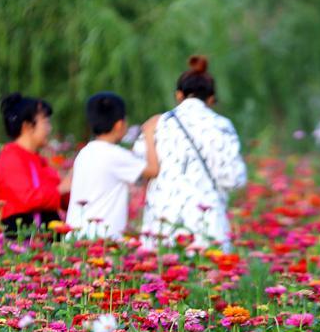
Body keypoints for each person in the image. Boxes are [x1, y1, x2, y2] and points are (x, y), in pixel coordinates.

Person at [138, 55, 247, 250]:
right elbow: (234, 179)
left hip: (163, 221)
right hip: (206, 223)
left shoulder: (158, 124)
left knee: (161, 276)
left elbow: (140, 167)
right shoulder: (222, 125)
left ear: (178, 95)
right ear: (211, 98)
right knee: (206, 277)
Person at [65, 92, 161, 241]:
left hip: (76, 235)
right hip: (100, 240)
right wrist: (149, 134)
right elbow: (153, 170)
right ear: (119, 125)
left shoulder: (85, 152)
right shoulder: (115, 154)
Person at [0, 92, 70, 238]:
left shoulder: (39, 161)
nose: (49, 128)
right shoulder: (11, 157)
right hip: (22, 235)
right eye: (46, 122)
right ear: (27, 126)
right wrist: (61, 189)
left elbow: (59, 197)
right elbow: (27, 198)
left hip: (44, 234)